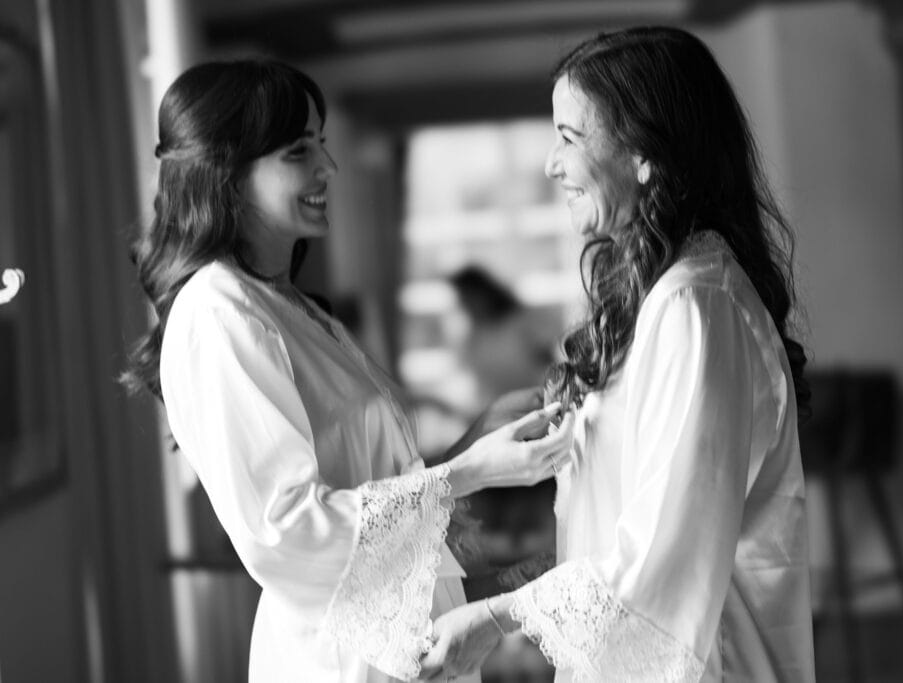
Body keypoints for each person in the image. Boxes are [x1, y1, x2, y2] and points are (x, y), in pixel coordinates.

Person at [121, 60, 574, 683]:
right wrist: (471, 471)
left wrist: (476, 440)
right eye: (298, 151)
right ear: (226, 172)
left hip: (398, 648)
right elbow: (287, 532)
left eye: (323, 146)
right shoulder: (217, 311)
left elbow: (371, 484)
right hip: (342, 661)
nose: (327, 169)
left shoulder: (292, 309)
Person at [419, 26, 815, 682]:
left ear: (645, 154)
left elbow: (663, 556)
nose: (551, 164)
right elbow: (621, 524)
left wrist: (497, 615)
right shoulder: (661, 296)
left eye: (569, 137)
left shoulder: (697, 305)